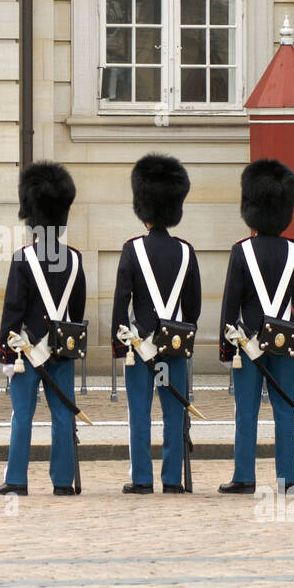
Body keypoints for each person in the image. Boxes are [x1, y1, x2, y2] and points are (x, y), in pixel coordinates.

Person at [218, 159, 294, 493]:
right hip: (285, 344)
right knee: (285, 413)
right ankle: (287, 480)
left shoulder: (241, 251)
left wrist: (226, 346)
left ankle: (244, 476)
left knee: (246, 413)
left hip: (248, 344)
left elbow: (231, 302)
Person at [0, 162, 86, 497]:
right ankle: (62, 481)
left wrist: (7, 353)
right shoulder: (75, 259)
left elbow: (12, 310)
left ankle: (17, 479)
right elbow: (77, 311)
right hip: (61, 350)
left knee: (23, 416)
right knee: (62, 417)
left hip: (26, 353)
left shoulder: (23, 258)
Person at [112, 154, 201, 494]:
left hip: (140, 347)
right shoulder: (186, 251)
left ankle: (142, 479)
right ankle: (172, 480)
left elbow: (122, 300)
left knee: (140, 414)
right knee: (173, 414)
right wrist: (182, 332)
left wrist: (120, 342)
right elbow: (192, 305)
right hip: (175, 347)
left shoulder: (132, 249)